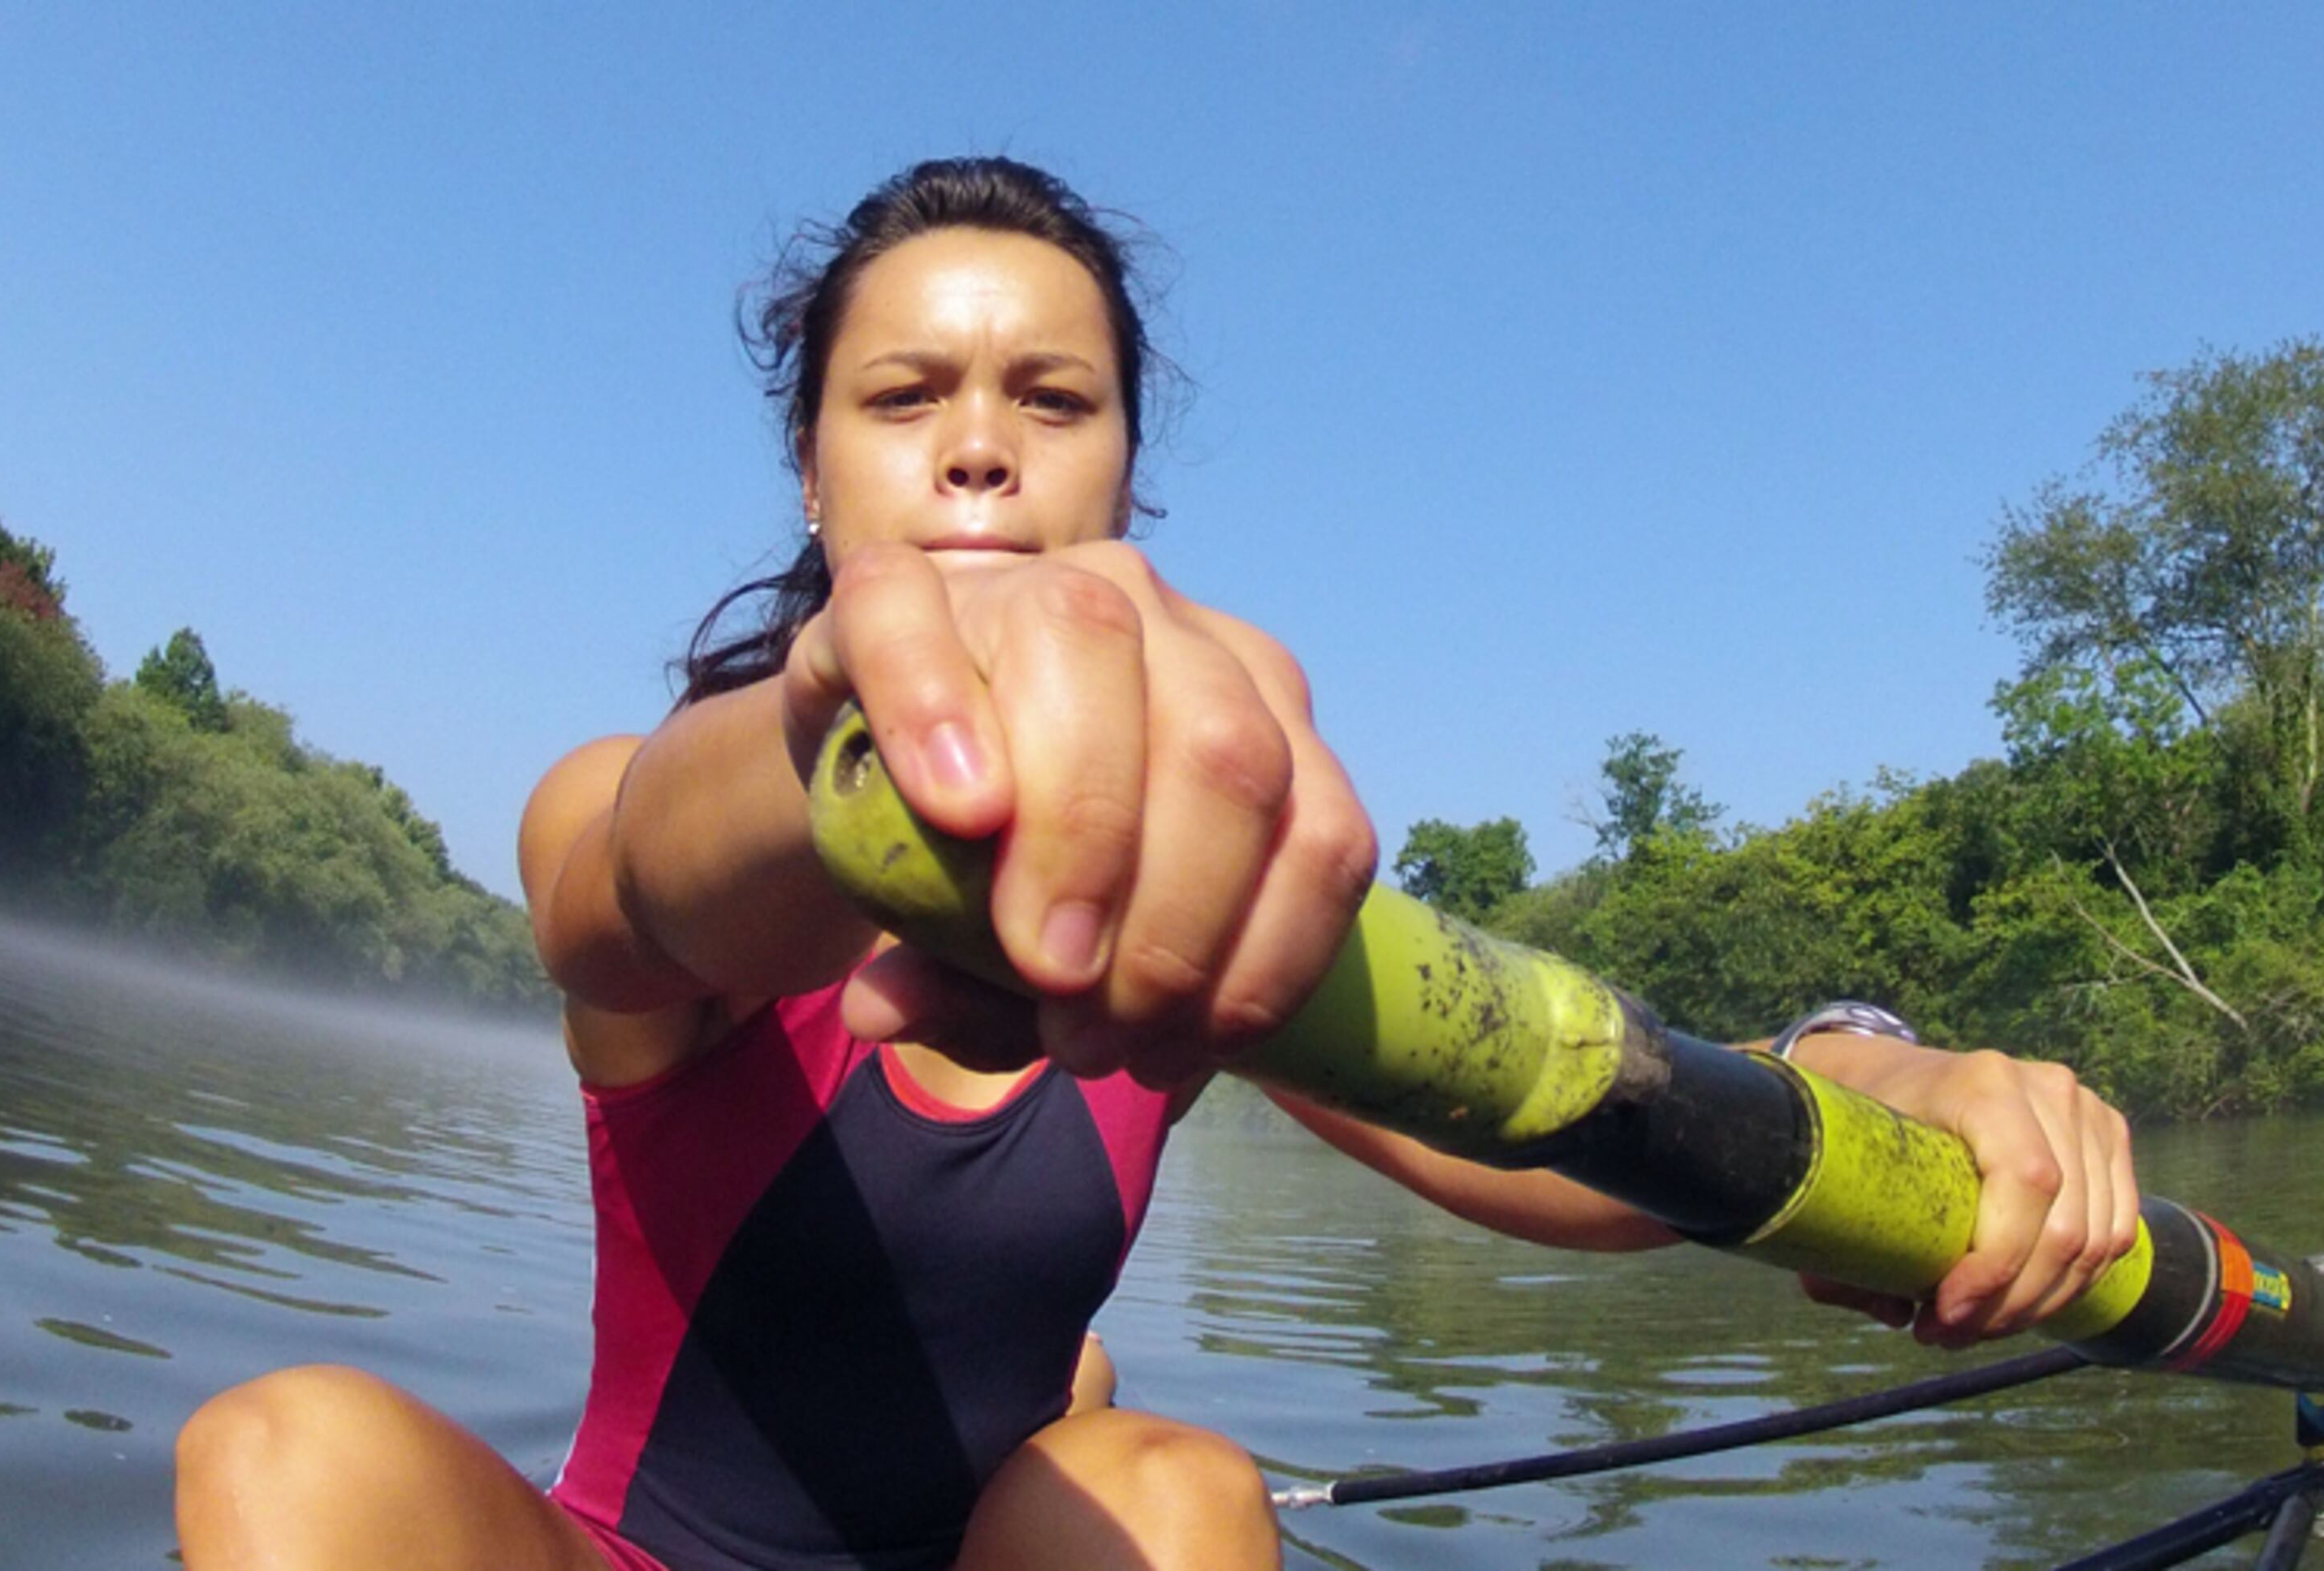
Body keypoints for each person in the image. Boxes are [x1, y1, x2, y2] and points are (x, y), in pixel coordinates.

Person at [172, 157, 2139, 1571]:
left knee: (1170, 1495)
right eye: (904, 397)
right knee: (289, 1452)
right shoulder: (648, 802)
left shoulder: (1207, 903)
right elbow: (624, 885)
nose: (977, 452)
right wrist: (836, 734)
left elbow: (1571, 1145)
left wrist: (1880, 1066)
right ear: (815, 470)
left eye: (1051, 398)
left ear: (1123, 472)